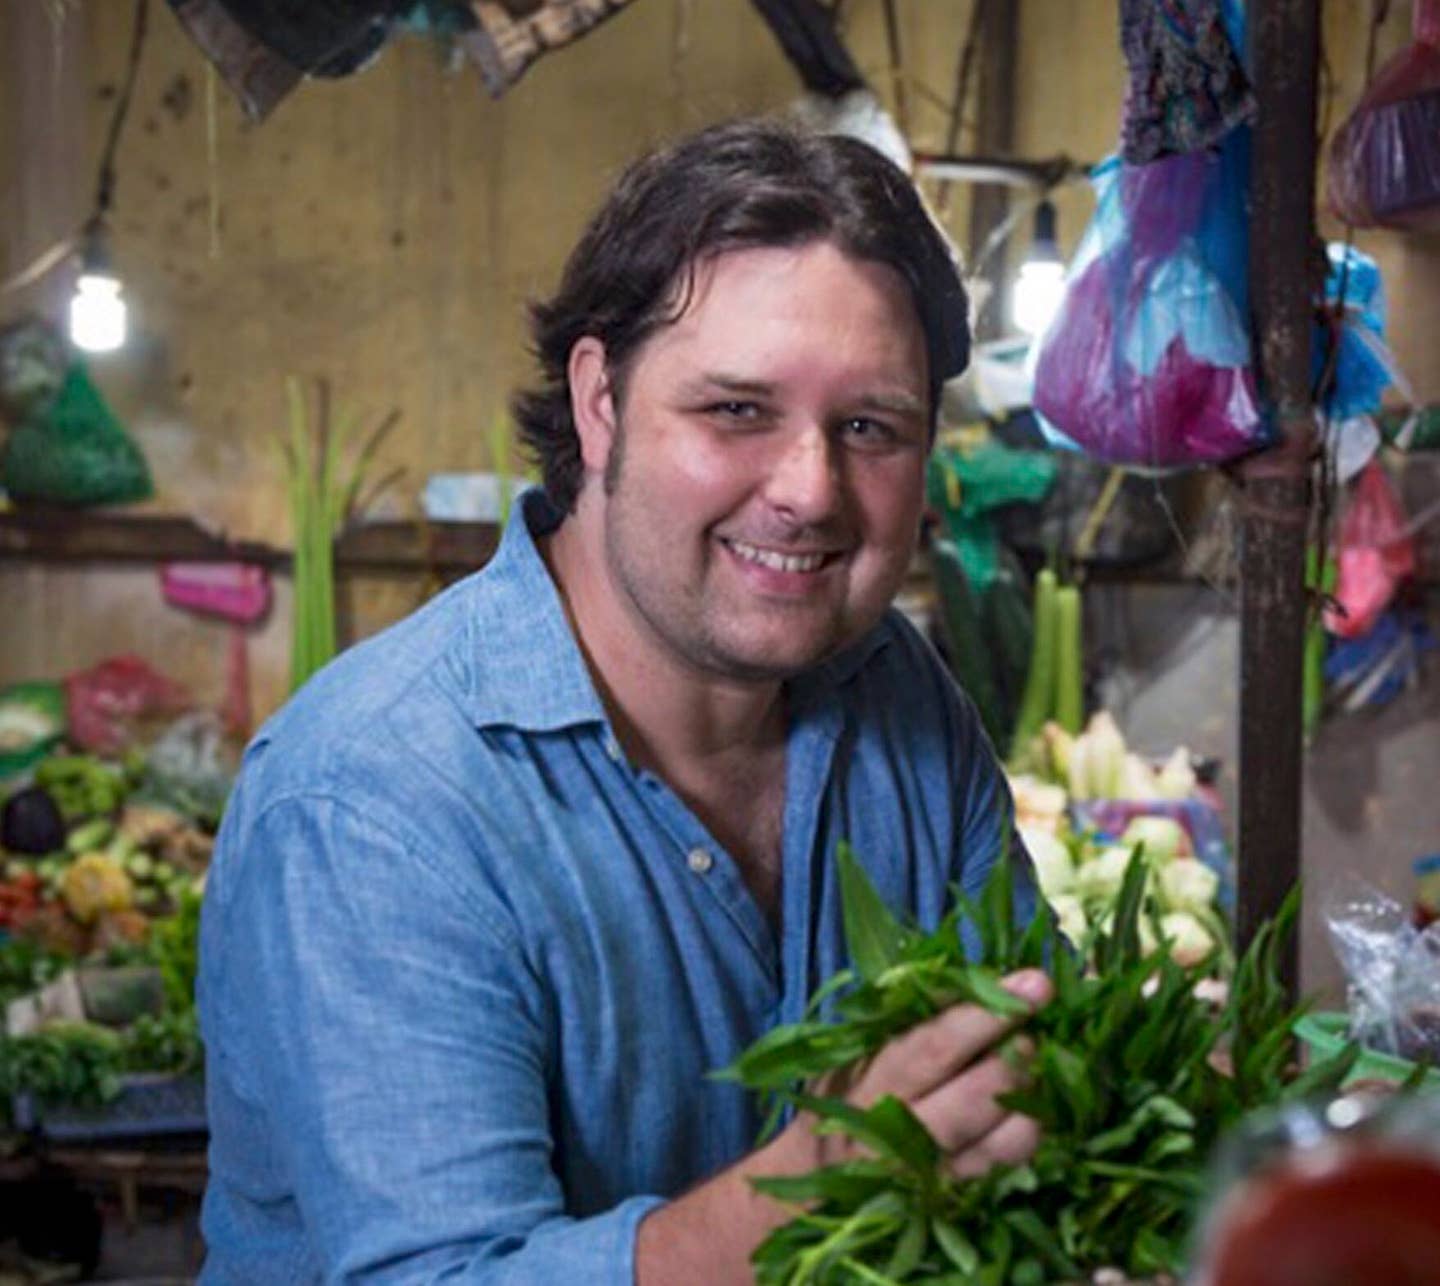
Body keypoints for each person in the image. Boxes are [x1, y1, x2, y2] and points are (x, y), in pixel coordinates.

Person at [197, 118, 1050, 1284]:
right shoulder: (375, 799)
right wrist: (828, 1182)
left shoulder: (896, 691)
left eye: (870, 427)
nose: (811, 490)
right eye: (737, 410)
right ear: (599, 402)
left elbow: (1034, 1065)